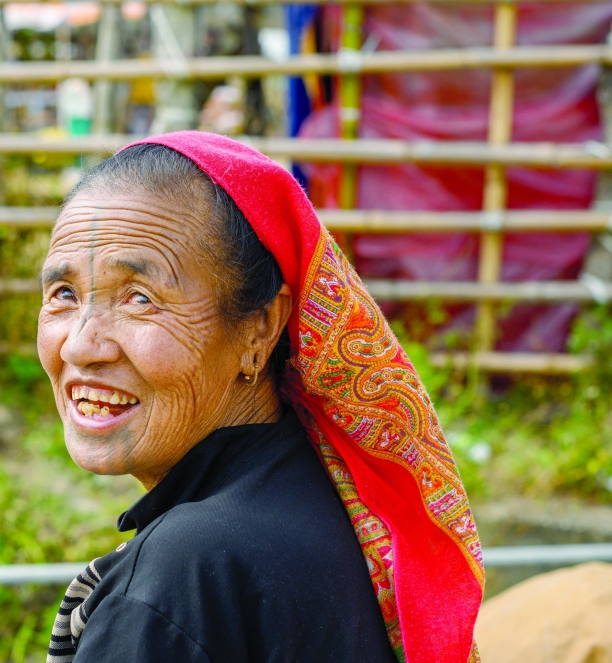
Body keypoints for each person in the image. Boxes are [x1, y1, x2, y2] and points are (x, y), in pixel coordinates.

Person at [37, 132, 484, 663]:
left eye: (140, 299)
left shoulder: (180, 579)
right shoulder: (326, 499)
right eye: (64, 294)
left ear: (260, 328)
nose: (80, 345)